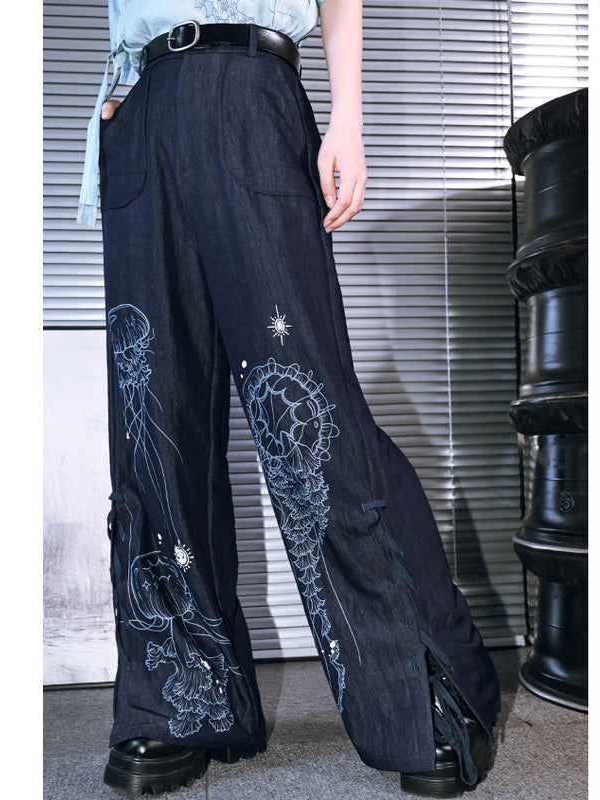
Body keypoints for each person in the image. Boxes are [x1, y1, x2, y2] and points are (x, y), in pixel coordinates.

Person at [77, 1, 501, 797]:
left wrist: (348, 119)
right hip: (141, 114)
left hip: (248, 90)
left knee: (309, 418)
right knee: (153, 423)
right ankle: (182, 703)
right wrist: (124, 91)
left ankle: (426, 693)